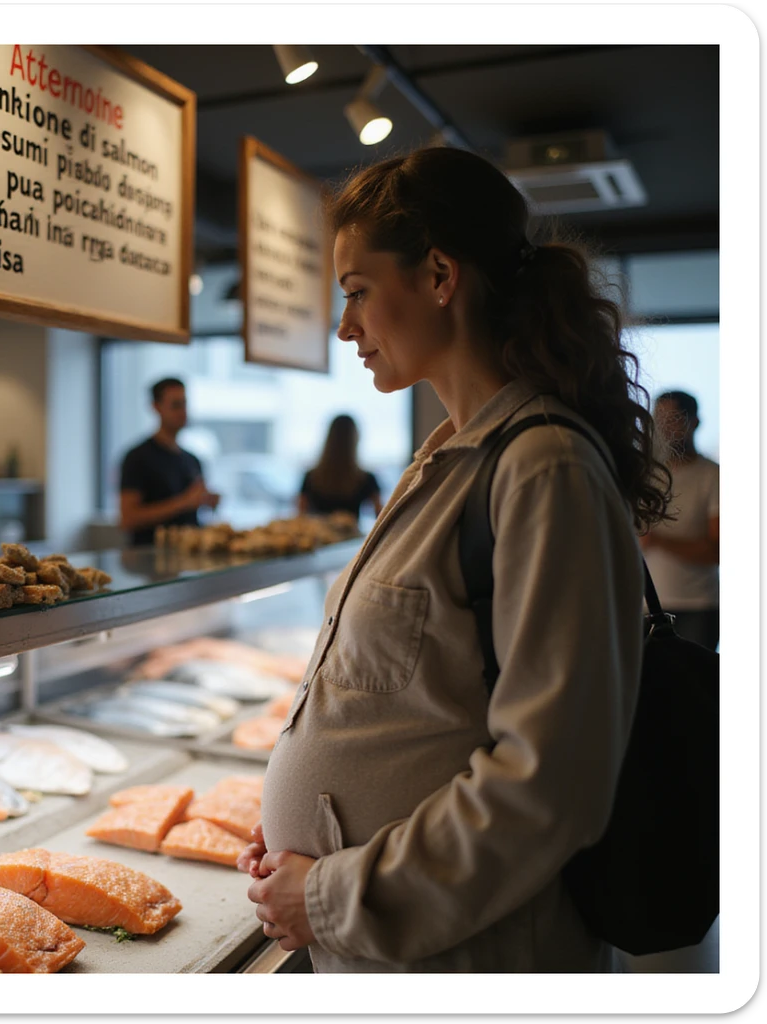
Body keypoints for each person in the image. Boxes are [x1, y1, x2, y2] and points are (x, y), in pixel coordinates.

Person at [238, 146, 672, 973]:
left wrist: (328, 891)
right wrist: (308, 835)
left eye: (358, 293)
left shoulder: (544, 467)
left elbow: (547, 787)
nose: (345, 327)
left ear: (440, 275)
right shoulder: (453, 457)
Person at [639, 391, 720, 651]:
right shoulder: (644, 474)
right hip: (645, 605)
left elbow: (716, 550)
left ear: (694, 422)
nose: (663, 427)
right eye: (658, 419)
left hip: (698, 605)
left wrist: (658, 540)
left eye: (672, 418)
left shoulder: (712, 475)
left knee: (694, 687)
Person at [118, 378, 219, 547]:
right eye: (175, 405)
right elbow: (128, 519)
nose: (183, 412)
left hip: (188, 561)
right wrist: (184, 502)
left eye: (184, 404)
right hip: (150, 562)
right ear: (156, 407)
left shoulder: (192, 460)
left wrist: (207, 500)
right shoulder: (137, 458)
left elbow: (194, 508)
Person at [298, 414, 383, 521]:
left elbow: (300, 516)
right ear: (355, 439)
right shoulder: (366, 479)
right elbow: (381, 517)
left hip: (319, 536)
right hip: (352, 535)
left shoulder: (311, 477)